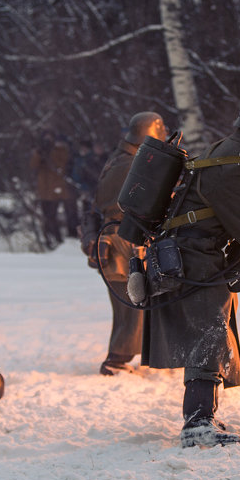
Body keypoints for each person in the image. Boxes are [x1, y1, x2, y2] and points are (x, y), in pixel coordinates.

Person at [141, 93, 240, 448]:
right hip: (194, 258)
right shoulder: (239, 164)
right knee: (208, 336)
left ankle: (204, 414)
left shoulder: (227, 150)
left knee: (210, 333)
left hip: (194, 254)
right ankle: (197, 424)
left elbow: (229, 215)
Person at [81, 112, 168, 375]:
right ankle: (115, 362)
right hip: (122, 243)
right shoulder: (130, 164)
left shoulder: (122, 159)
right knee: (131, 307)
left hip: (118, 240)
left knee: (132, 305)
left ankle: (125, 358)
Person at [31, 132, 78, 248]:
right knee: (48, 216)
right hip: (44, 189)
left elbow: (61, 164)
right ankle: (51, 239)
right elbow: (33, 165)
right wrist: (39, 153)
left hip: (57, 189)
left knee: (59, 214)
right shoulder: (40, 151)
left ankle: (65, 239)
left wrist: (50, 153)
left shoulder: (61, 150)